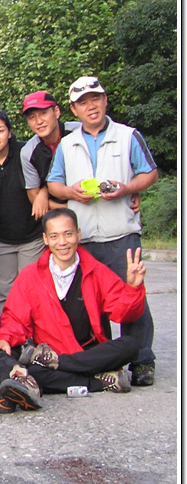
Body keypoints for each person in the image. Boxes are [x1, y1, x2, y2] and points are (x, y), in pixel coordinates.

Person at [0, 208, 146, 414]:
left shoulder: (96, 271)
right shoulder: (30, 275)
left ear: (78, 234)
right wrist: (5, 338)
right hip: (48, 354)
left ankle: (53, 371)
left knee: (130, 345)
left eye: (68, 234)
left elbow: (123, 314)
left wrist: (132, 287)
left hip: (82, 354)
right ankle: (99, 381)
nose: (63, 242)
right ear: (45, 239)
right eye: (54, 236)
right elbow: (15, 317)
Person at [47, 76, 158, 386]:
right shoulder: (68, 144)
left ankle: (142, 360)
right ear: (73, 109)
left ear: (105, 100)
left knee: (133, 297)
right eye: (82, 102)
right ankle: (106, 360)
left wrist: (127, 188)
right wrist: (71, 192)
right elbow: (53, 183)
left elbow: (150, 172)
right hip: (84, 235)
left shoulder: (127, 136)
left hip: (121, 232)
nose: (90, 105)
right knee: (93, 302)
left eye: (95, 98)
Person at [0, 109, 44, 315]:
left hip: (32, 237)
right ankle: (8, 339)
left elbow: (52, 176)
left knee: (32, 289)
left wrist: (44, 192)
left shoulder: (26, 152)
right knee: (5, 292)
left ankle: (34, 340)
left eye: (0, 130)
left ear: (10, 132)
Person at [19, 91, 76, 220]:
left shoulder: (79, 133)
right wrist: (68, 209)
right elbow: (34, 195)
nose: (39, 121)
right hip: (57, 214)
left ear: (56, 112)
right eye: (32, 117)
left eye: (43, 113)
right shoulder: (28, 152)